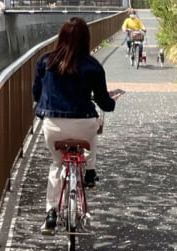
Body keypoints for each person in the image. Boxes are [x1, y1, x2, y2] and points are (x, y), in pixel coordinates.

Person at [32, 18, 123, 233]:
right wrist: (113, 100)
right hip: (84, 124)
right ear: (86, 40)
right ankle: (90, 171)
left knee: (56, 164)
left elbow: (36, 94)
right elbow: (104, 104)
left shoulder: (45, 62)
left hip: (53, 125)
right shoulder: (93, 66)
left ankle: (51, 213)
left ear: (61, 37)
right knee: (94, 127)